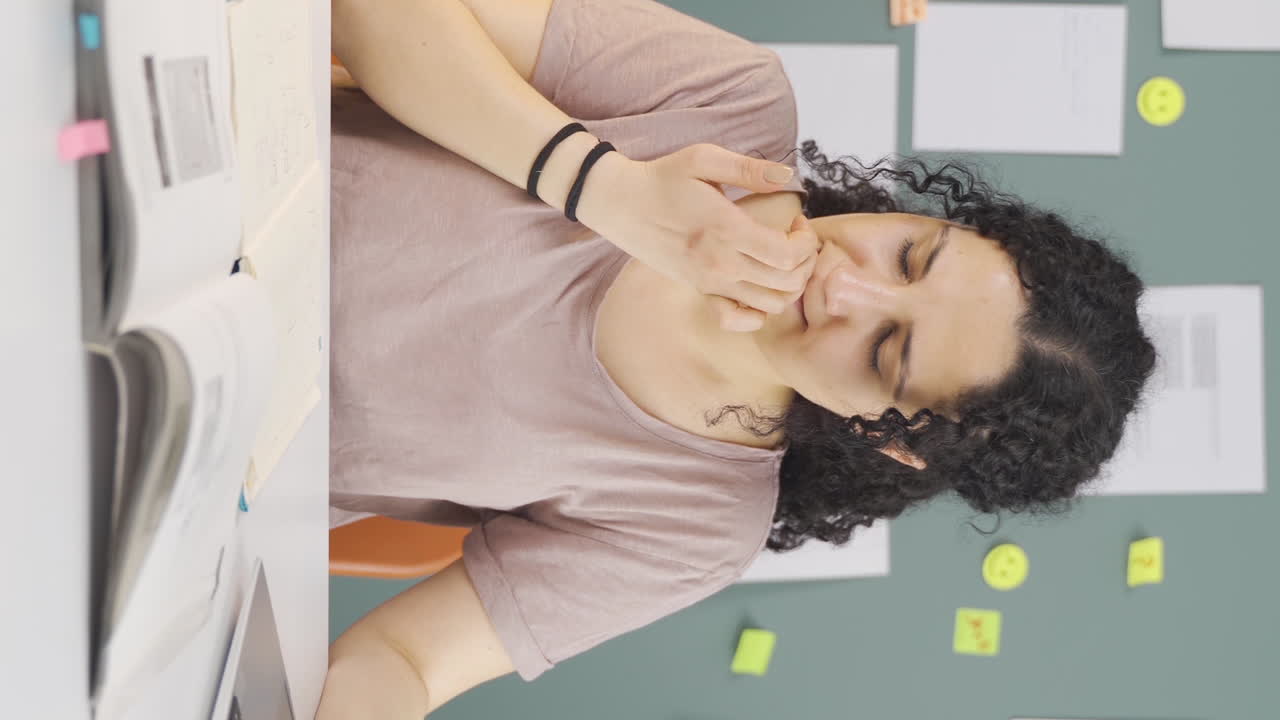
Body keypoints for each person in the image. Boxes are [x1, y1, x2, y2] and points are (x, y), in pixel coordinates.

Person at [320, 0, 1156, 717]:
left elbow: (405, 662)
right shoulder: (730, 101)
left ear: (890, 437)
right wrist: (599, 186)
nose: (844, 289)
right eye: (909, 255)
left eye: (885, 351)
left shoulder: (697, 530)